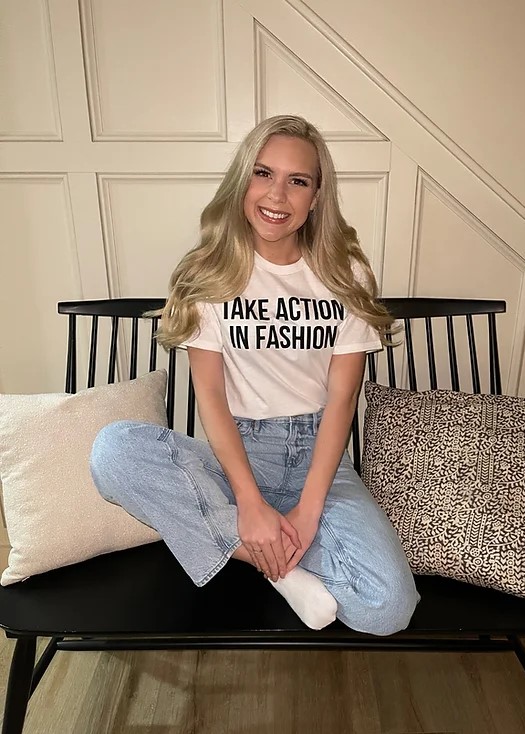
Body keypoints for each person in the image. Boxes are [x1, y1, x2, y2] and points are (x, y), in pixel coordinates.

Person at [90, 115, 419, 632]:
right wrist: (248, 502)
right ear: (242, 179)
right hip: (236, 458)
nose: (278, 195)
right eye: (263, 173)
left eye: (298, 181)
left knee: (389, 609)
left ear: (316, 196)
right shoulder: (209, 273)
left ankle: (254, 544)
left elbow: (341, 401)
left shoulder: (344, 274)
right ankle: (274, 566)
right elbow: (212, 399)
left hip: (320, 460)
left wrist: (308, 511)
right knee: (113, 453)